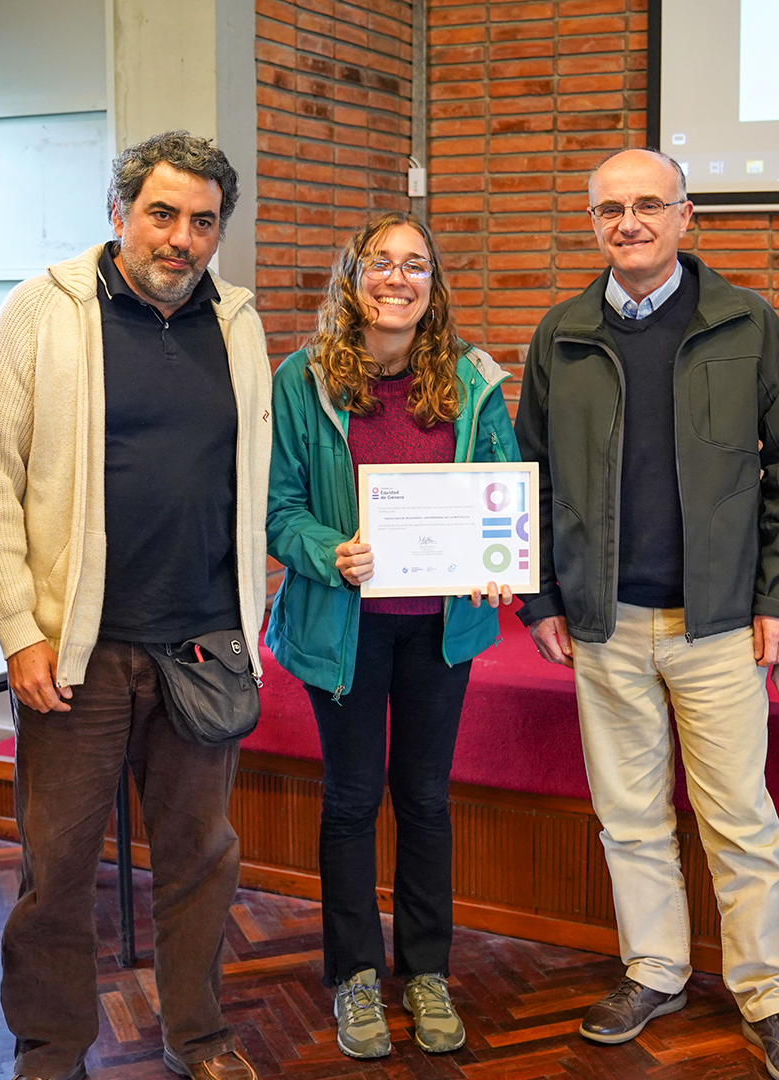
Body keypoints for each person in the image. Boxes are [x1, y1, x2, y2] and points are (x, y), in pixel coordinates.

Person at [513, 147, 779, 1080]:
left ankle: (767, 994)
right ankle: (653, 969)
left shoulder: (745, 322)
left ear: (686, 216)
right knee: (629, 817)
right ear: (592, 223)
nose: (629, 223)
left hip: (717, 621)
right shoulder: (562, 333)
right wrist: (541, 597)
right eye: (610, 209)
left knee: (740, 821)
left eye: (649, 205)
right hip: (605, 621)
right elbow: (532, 474)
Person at [0, 130, 268, 1080]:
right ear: (118, 213)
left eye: (203, 222)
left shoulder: (237, 322)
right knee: (55, 872)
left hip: (203, 646)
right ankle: (51, 1050)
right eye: (161, 214)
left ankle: (198, 1037)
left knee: (201, 861)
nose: (181, 239)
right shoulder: (42, 311)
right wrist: (19, 632)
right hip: (75, 656)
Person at [263, 212, 518, 1060]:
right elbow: (277, 509)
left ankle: (427, 971)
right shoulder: (302, 379)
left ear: (432, 285)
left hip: (439, 630)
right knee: (349, 799)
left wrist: (501, 559)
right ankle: (355, 975)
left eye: (415, 265)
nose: (397, 279)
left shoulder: (473, 380)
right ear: (352, 277)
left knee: (425, 798)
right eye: (380, 262)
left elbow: (504, 493)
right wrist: (328, 552)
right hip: (343, 627)